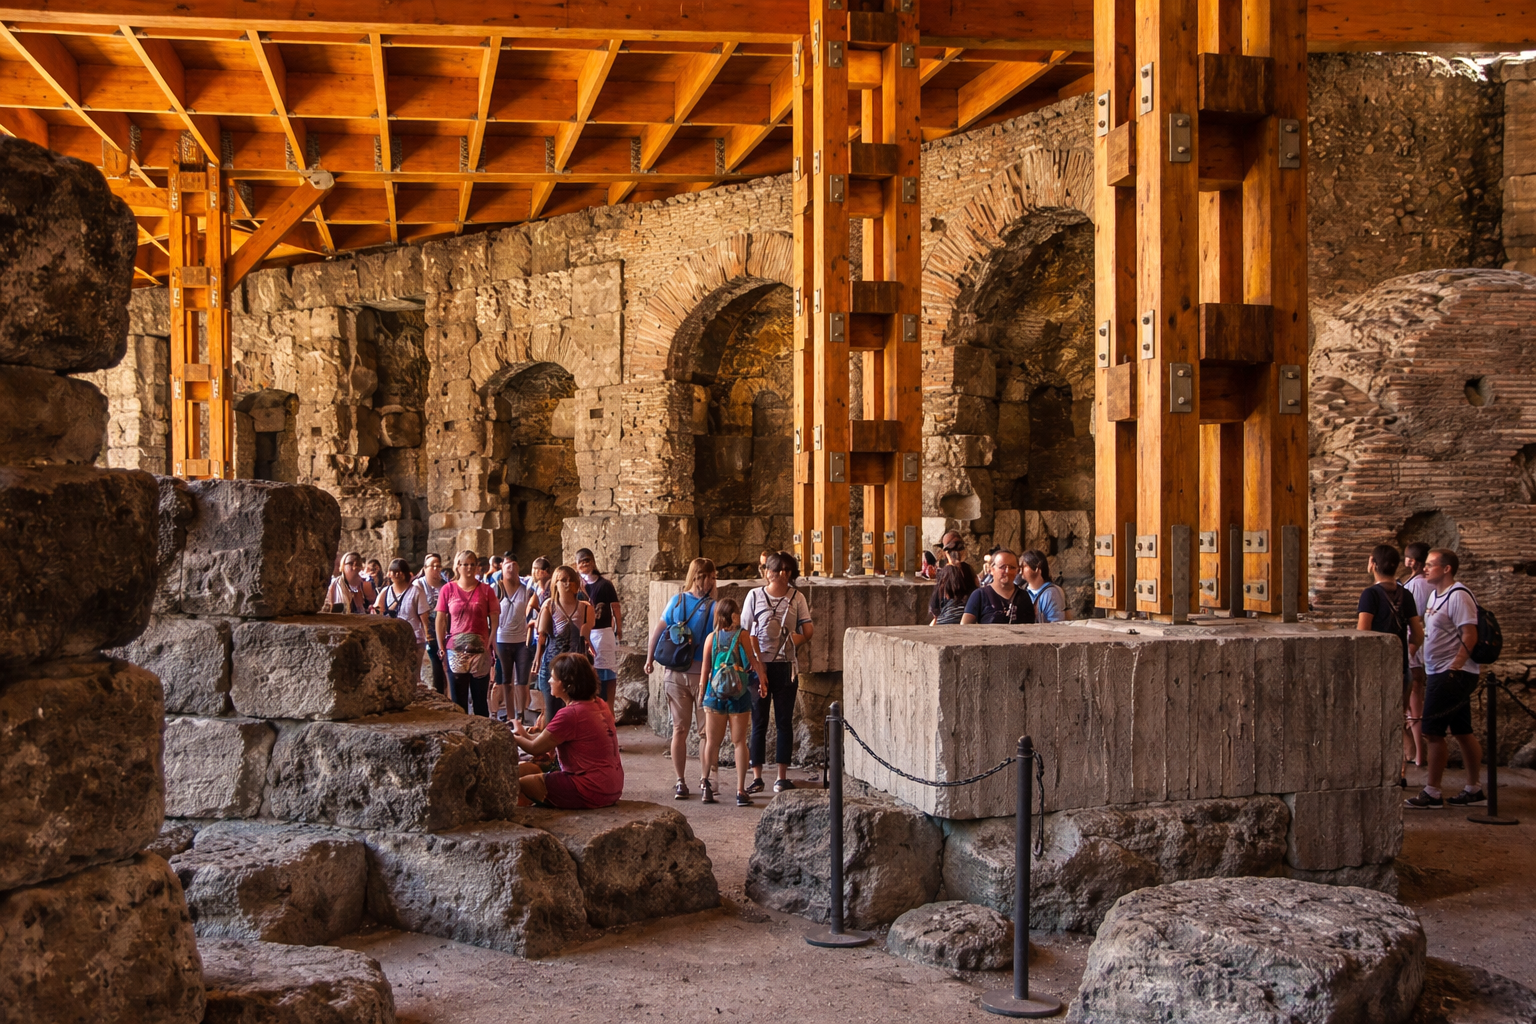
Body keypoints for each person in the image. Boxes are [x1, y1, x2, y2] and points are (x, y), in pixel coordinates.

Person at [1406, 548, 1485, 809]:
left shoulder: (1459, 595)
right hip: (1439, 671)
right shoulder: (1434, 595)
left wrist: (1455, 667)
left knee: (1432, 731)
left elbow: (1470, 634)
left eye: (1430, 565)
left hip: (1450, 674)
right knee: (1462, 731)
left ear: (1447, 568)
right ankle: (1474, 790)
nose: (1424, 568)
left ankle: (1432, 792)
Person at [645, 557, 718, 799]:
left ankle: (681, 782)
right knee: (705, 733)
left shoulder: (676, 601)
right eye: (712, 577)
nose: (713, 581)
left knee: (680, 730)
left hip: (674, 673)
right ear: (701, 577)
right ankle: (705, 782)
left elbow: (658, 632)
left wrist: (649, 660)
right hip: (703, 676)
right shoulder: (714, 607)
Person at [511, 653, 623, 809]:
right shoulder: (599, 703)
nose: (549, 681)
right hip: (612, 786)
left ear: (566, 684)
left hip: (591, 789)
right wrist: (522, 733)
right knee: (526, 769)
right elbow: (545, 741)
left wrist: (511, 737)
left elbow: (535, 748)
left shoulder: (571, 714)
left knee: (521, 784)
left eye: (553, 678)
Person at [742, 552, 812, 794]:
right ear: (768, 572)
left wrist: (793, 640)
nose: (781, 574)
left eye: (786, 570)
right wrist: (755, 663)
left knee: (784, 721)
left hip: (785, 665)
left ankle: (781, 776)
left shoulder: (797, 597)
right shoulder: (754, 596)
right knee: (758, 721)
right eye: (776, 570)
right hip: (759, 665)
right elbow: (744, 632)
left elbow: (808, 630)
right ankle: (757, 776)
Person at [1356, 544, 1424, 788]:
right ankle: (1399, 774)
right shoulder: (1406, 595)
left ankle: (1376, 774)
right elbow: (1418, 634)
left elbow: (1363, 633)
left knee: (1374, 722)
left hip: (1377, 671)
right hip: (1403, 668)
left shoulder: (1370, 595)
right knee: (1397, 721)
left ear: (1373, 563)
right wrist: (1407, 651)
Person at [698, 598, 767, 807]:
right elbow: (752, 661)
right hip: (738, 694)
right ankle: (740, 790)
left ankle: (706, 785)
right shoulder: (742, 636)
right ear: (733, 615)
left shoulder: (711, 638)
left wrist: (702, 696)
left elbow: (705, 670)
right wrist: (762, 682)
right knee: (739, 742)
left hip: (715, 695)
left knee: (712, 742)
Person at [435, 549, 500, 717]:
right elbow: (440, 619)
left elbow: (494, 620)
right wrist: (441, 645)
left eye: (472, 564)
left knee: (480, 701)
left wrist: (490, 643)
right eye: (465, 564)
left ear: (477, 566)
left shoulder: (486, 590)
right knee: (458, 702)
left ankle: (482, 732)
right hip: (455, 651)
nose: (469, 568)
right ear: (458, 566)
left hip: (480, 650)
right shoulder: (448, 589)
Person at [532, 565, 594, 729]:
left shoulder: (585, 608)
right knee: (552, 714)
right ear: (555, 583)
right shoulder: (549, 605)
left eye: (571, 580)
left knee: (574, 712)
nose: (567, 584)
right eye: (563, 580)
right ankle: (550, 744)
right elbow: (542, 636)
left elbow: (586, 636)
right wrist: (537, 658)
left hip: (575, 668)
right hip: (552, 665)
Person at [493, 556, 539, 726]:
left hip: (522, 640)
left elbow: (538, 610)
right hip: (502, 639)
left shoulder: (526, 590)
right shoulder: (496, 589)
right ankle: (510, 715)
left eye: (514, 565)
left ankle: (521, 713)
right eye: (508, 565)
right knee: (506, 679)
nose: (511, 569)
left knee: (522, 679)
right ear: (501, 568)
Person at [575, 548, 624, 705]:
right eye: (581, 561)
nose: (585, 564)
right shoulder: (576, 586)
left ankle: (607, 709)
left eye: (587, 560)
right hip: (584, 634)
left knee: (607, 674)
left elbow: (615, 607)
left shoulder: (605, 584)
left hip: (603, 633)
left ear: (593, 562)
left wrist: (619, 628)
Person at [1401, 542, 1433, 770]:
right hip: (1417, 645)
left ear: (1413, 561)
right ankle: (1415, 752)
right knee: (1413, 701)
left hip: (1415, 646)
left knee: (1414, 702)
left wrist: (1411, 650)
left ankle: (1419, 754)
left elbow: (1417, 619)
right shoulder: (1420, 582)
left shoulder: (1418, 585)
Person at [374, 558, 429, 676]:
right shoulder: (385, 592)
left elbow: (424, 618)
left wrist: (428, 638)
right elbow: (377, 613)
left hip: (414, 640)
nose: (397, 574)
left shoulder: (416, 591)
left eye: (400, 571)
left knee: (413, 676)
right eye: (393, 571)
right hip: (392, 639)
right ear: (389, 573)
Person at [962, 548, 1037, 624]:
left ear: (1017, 571)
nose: (1007, 571)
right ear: (991, 570)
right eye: (1002, 567)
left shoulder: (1024, 596)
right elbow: (965, 626)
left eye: (1012, 567)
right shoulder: (979, 595)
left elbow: (1030, 626)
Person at [415, 552, 450, 694]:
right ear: (425, 568)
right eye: (432, 566)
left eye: (438, 566)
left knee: (446, 669)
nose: (436, 569)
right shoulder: (418, 585)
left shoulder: (446, 585)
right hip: (425, 633)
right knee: (433, 669)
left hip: (444, 632)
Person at [928, 531, 969, 622]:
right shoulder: (969, 570)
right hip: (968, 620)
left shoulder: (945, 573)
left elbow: (935, 607)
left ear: (945, 553)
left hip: (946, 621)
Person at [1021, 550, 1071, 622]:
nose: (1020, 570)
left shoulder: (1051, 593)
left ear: (1037, 567)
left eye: (1025, 566)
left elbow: (1055, 625)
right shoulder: (1022, 590)